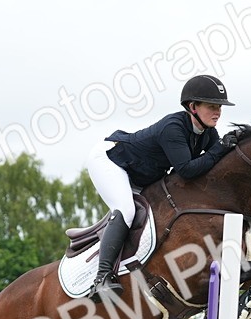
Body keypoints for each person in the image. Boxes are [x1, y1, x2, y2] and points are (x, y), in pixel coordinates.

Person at [84, 74, 238, 301]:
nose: (218, 112)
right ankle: (102, 278)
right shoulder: (173, 127)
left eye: (220, 107)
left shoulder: (208, 134)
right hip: (111, 161)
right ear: (193, 107)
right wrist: (220, 149)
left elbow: (214, 165)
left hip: (141, 173)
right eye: (212, 106)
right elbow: (187, 169)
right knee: (126, 211)